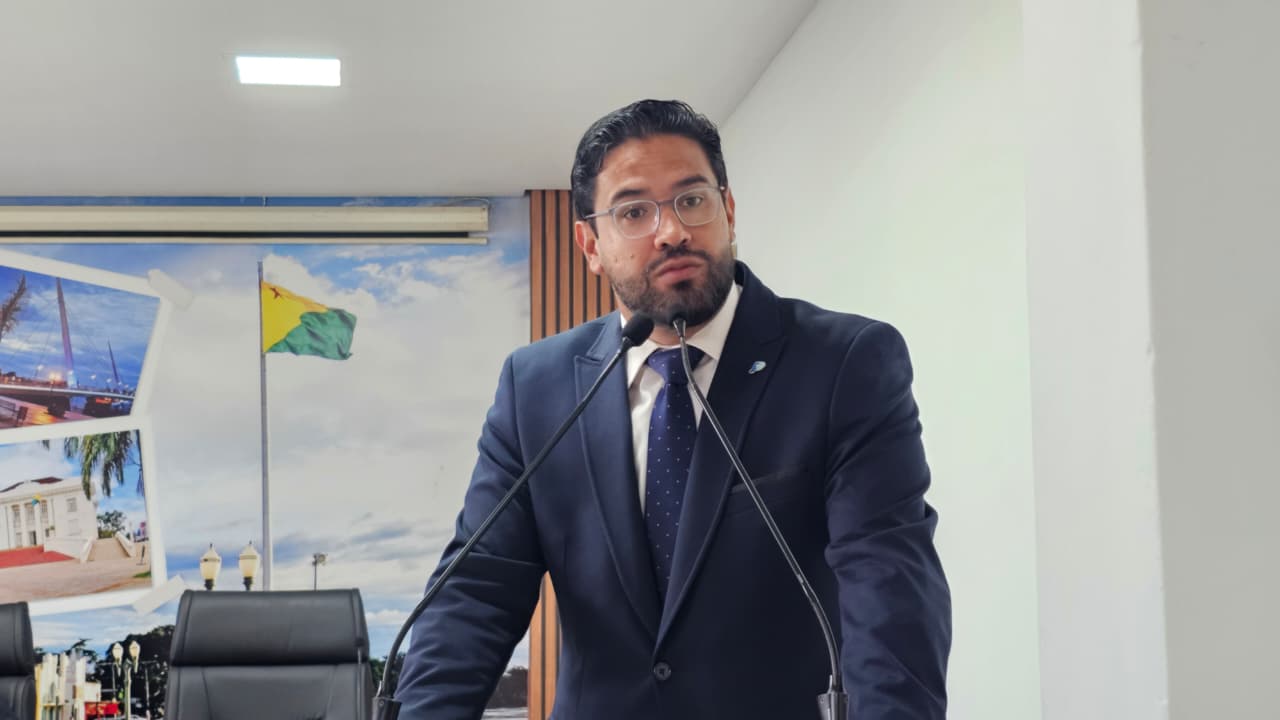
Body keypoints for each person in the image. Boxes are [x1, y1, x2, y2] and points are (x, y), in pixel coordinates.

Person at [395, 99, 951, 719]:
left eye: (692, 199)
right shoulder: (536, 388)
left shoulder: (843, 363)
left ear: (728, 211)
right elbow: (475, 596)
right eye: (634, 211)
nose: (671, 231)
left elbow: (888, 590)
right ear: (590, 244)